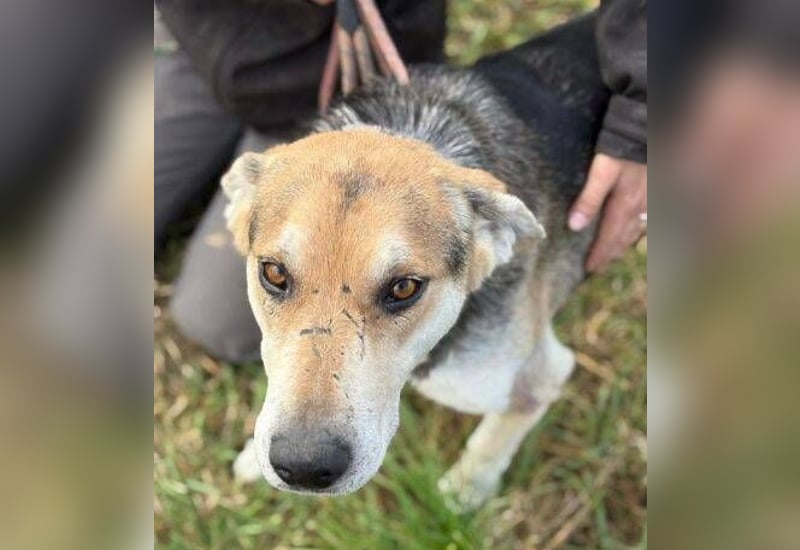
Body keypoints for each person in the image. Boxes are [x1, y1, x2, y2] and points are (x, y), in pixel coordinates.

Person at [154, 0, 647, 362]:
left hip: (356, 57)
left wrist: (647, 105)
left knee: (211, 324)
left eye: (402, 287)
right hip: (202, 47)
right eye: (277, 277)